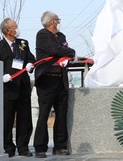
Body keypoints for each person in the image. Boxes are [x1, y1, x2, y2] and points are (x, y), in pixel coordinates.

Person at [33, 11, 75, 158]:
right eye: (57, 20)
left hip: (60, 79)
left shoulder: (61, 36)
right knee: (44, 114)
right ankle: (40, 147)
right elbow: (55, 50)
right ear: (51, 21)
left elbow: (67, 50)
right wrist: (68, 52)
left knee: (61, 114)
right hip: (47, 80)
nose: (58, 22)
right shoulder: (42, 34)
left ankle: (60, 146)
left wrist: (69, 52)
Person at [0, 17, 36, 158]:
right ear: (7, 31)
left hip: (23, 87)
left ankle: (23, 147)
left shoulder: (23, 43)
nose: (17, 29)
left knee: (25, 119)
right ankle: (8, 147)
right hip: (8, 88)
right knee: (7, 119)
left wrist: (30, 65)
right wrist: (1, 76)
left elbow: (31, 58)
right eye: (14, 26)